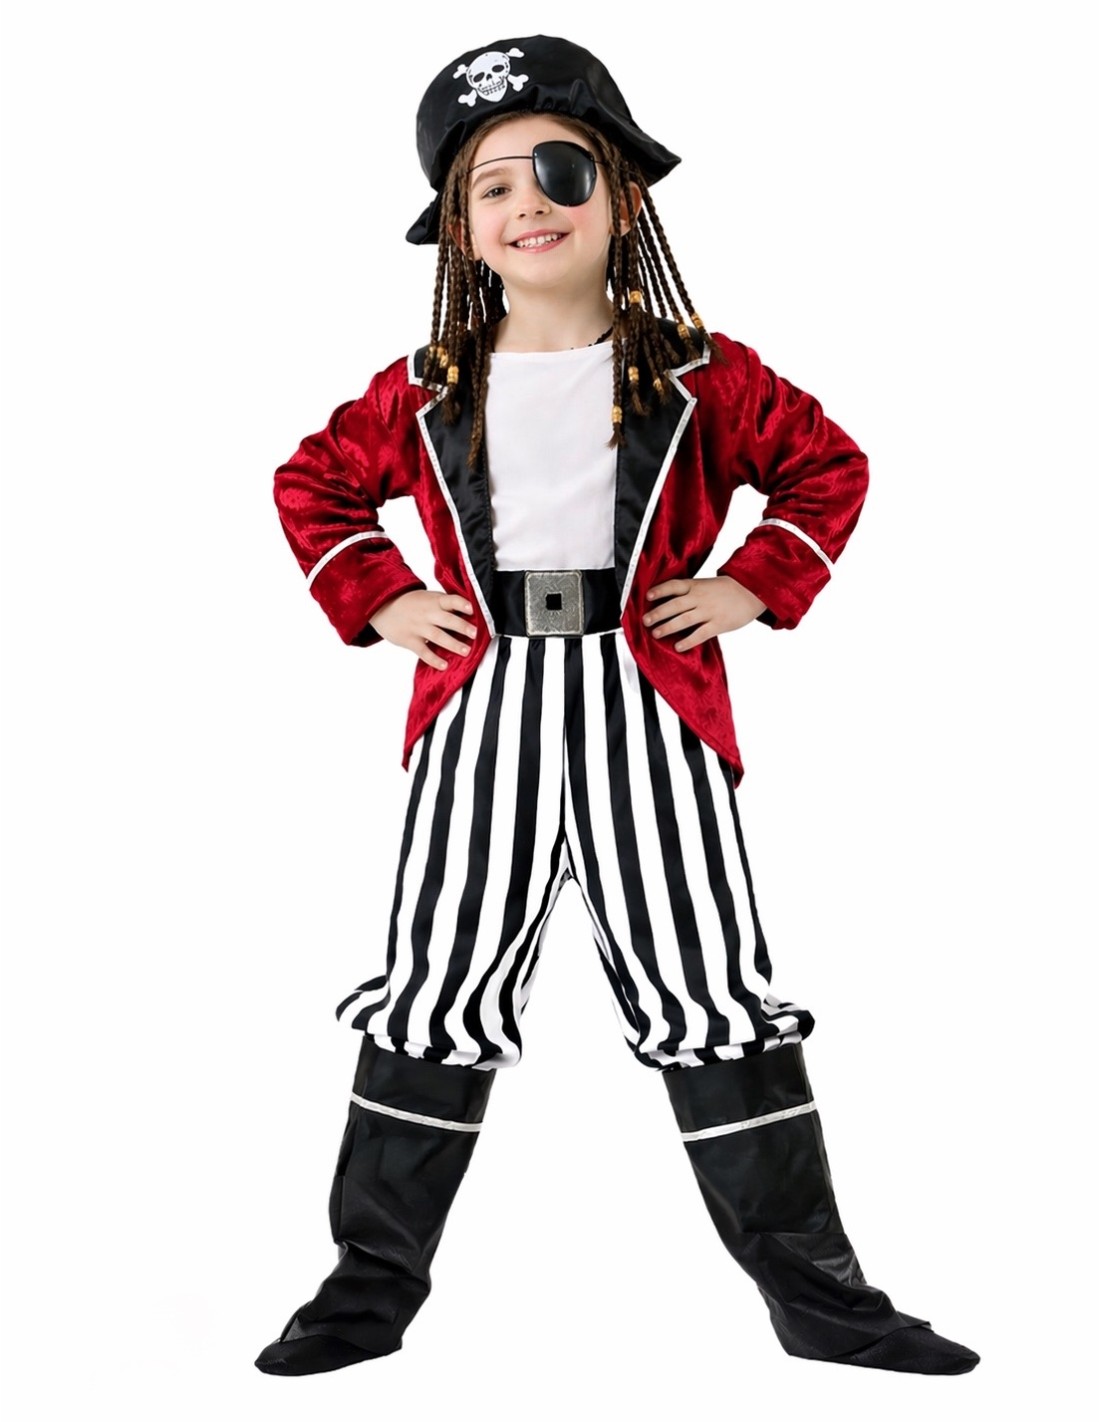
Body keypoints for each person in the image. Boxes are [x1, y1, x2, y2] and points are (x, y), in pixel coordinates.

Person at [254, 34, 979, 1379]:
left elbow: (826, 465)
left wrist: (752, 585)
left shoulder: (701, 373)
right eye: (491, 186)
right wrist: (382, 597)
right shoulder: (425, 388)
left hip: (650, 703)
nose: (528, 203)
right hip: (481, 707)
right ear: (459, 229)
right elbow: (312, 483)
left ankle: (822, 1301)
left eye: (561, 170)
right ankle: (365, 1293)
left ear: (623, 193)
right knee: (435, 982)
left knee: (710, 984)